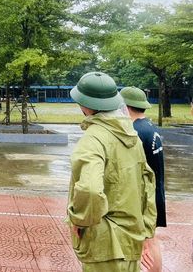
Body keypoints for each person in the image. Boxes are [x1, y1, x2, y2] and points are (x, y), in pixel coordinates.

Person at [67, 72, 157, 272]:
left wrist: (80, 221)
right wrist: (147, 229)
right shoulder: (131, 136)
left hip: (104, 246)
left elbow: (89, 189)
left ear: (85, 105)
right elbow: (148, 185)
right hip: (132, 242)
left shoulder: (93, 139)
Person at [120, 86, 166, 272]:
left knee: (142, 245)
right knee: (151, 240)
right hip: (157, 193)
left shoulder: (134, 132)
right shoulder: (149, 127)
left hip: (144, 196)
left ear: (125, 106)